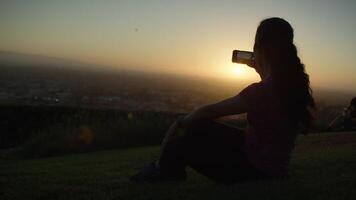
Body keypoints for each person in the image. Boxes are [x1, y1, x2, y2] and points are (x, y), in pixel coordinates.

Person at [131, 17, 316, 184]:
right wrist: (263, 69)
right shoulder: (290, 85)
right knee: (199, 127)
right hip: (272, 166)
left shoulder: (262, 90)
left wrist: (181, 123)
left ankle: (163, 171)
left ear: (259, 49)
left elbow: (209, 112)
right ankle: (167, 170)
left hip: (255, 171)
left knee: (190, 127)